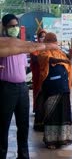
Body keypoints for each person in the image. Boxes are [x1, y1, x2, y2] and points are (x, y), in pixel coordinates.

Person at [0, 14, 30, 159]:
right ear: (4, 27)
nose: (14, 28)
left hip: (23, 89)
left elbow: (24, 67)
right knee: (3, 126)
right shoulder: (1, 44)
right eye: (11, 26)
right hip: (6, 89)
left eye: (16, 25)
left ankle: (23, 156)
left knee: (23, 126)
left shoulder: (22, 45)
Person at [37, 33, 72, 149]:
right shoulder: (42, 52)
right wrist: (63, 61)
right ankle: (51, 141)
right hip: (51, 88)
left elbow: (68, 61)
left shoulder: (61, 52)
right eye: (51, 40)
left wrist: (70, 56)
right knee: (51, 113)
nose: (54, 43)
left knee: (63, 113)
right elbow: (47, 59)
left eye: (55, 40)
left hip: (63, 88)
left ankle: (62, 139)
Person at [31, 29, 48, 131]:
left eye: (44, 36)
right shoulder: (34, 48)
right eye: (41, 36)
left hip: (46, 76)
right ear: (38, 37)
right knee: (38, 93)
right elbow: (34, 59)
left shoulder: (48, 48)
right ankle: (37, 109)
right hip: (38, 75)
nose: (43, 38)